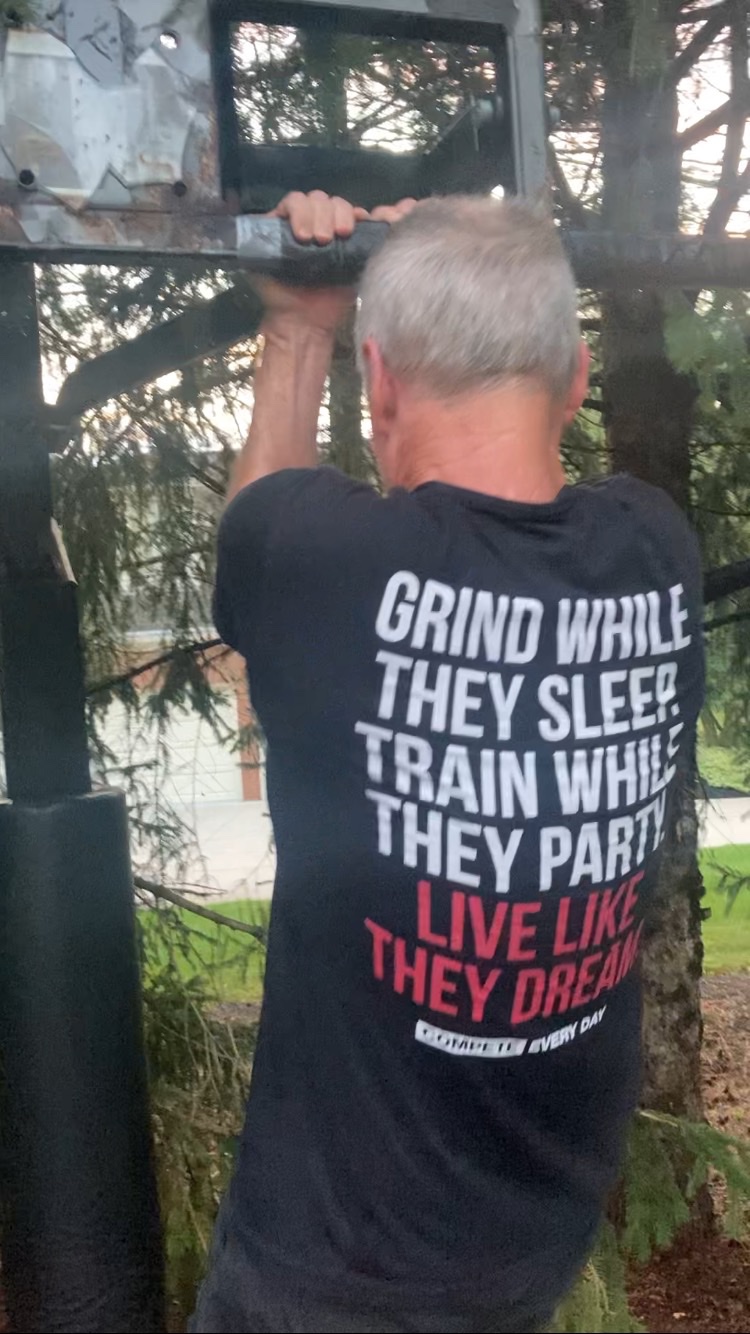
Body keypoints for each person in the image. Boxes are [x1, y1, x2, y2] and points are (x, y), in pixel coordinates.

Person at [193, 190, 705, 1333]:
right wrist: (465, 248)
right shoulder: (654, 548)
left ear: (379, 378)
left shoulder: (321, 559)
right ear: (576, 378)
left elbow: (260, 523)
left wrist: (300, 324)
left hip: (332, 1271)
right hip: (534, 1234)